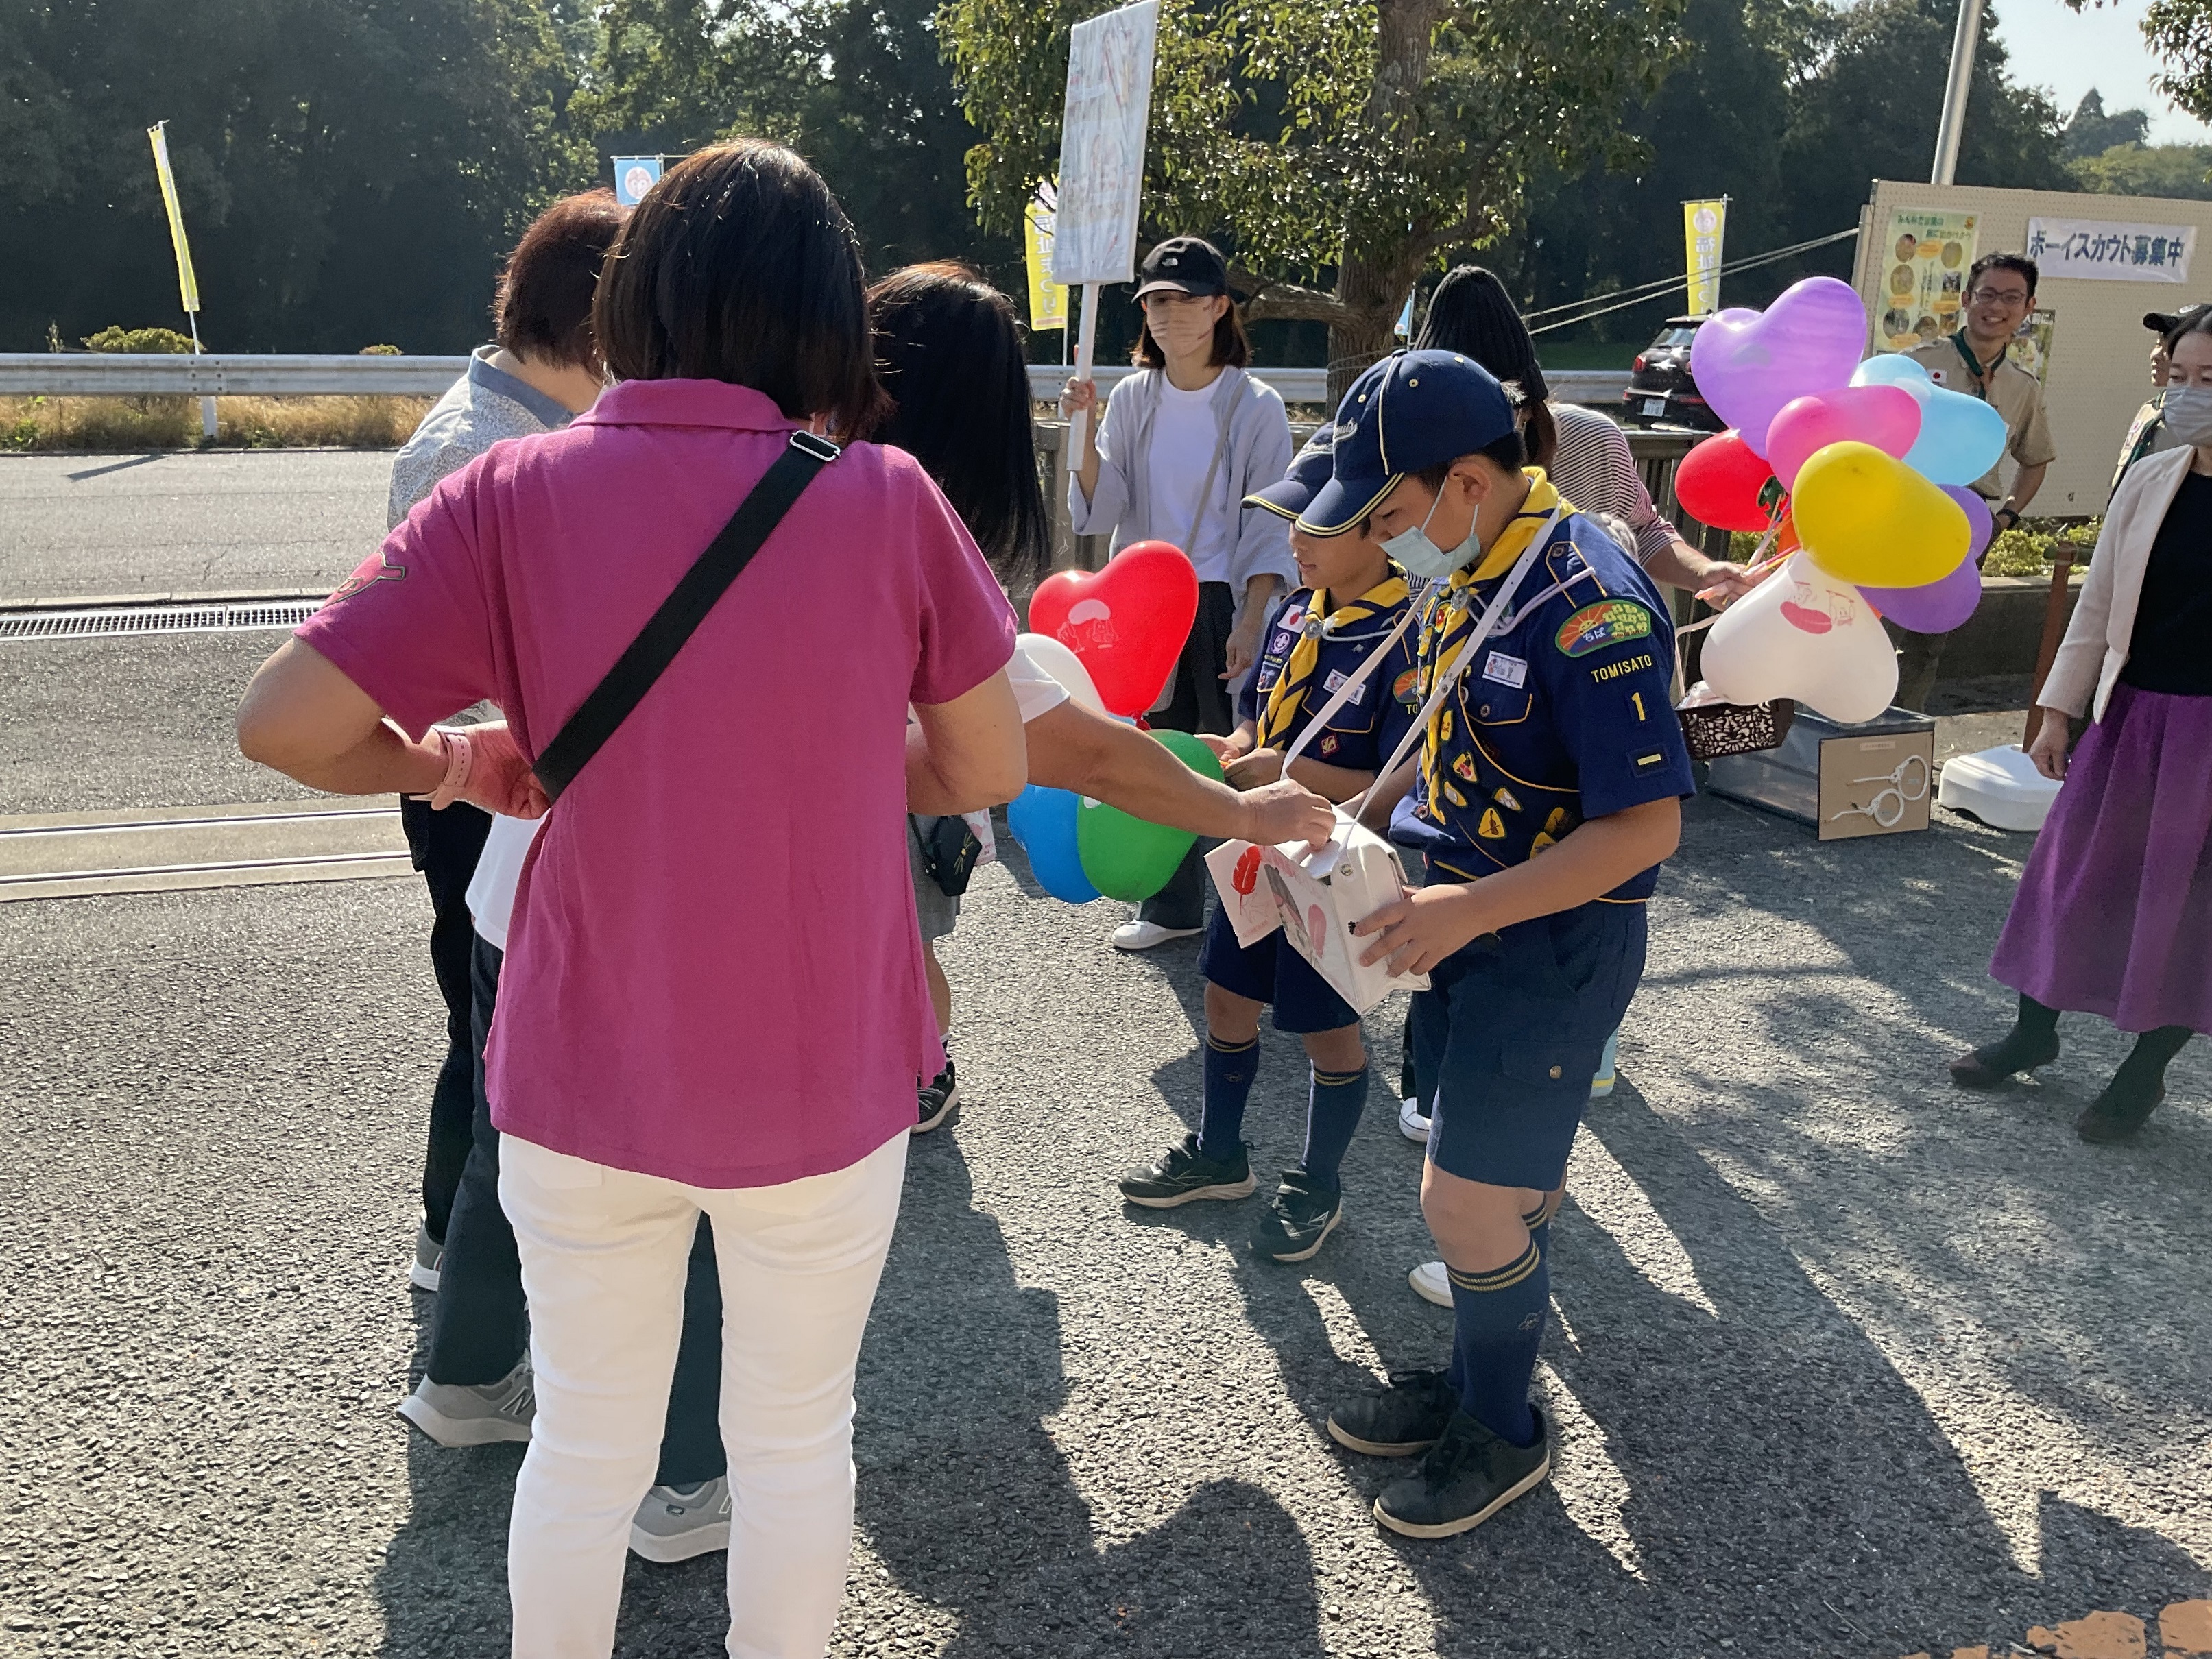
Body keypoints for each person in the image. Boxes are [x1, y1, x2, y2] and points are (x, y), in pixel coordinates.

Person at [235, 140, 1028, 1659]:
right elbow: (976, 761)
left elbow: (284, 723)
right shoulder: (885, 497)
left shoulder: (515, 487)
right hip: (821, 1082)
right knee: (794, 1446)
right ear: (820, 317)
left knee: (584, 1444)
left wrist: (461, 769)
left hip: (580, 1078)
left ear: (634, 302)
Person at [621, 261, 1337, 1564]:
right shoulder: (911, 518)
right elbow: (1064, 752)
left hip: (662, 898)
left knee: (688, 1203)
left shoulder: (687, 476)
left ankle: (680, 1467)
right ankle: (730, 1475)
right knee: (784, 1235)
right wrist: (1231, 807)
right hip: (826, 896)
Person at [1303, 350, 1692, 1539]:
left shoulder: (1588, 595)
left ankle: (1507, 1430)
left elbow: (1648, 825)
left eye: (1388, 512)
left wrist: (1463, 913)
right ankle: (1479, 1382)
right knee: (1498, 1190)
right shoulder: (1478, 557)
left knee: (1460, 1201)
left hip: (1552, 942)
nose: (1379, 537)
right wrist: (1352, 819)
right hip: (1465, 919)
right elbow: (1441, 724)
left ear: (1467, 480)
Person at [1401, 265, 1748, 1161]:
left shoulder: (1582, 495)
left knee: (1502, 1150)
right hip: (1481, 822)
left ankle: (1550, 1093)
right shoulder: (1452, 554)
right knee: (1491, 1133)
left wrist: (1702, 574)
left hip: (1580, 762)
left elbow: (1649, 530)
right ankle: (1478, 1126)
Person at [385, 188, 626, 1295]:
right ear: (598, 321)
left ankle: (481, 1254)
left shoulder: (534, 424)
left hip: (511, 775)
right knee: (489, 1026)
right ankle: (459, 1252)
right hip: (479, 779)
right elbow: (467, 665)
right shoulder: (475, 450)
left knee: (506, 1022)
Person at [1116, 411, 1420, 1261]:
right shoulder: (1292, 613)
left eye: (1316, 524)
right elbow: (1257, 721)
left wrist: (1277, 773)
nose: (1294, 540)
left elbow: (1397, 779)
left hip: (1332, 865)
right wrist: (1232, 750)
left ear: (1381, 524)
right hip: (1255, 851)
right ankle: (1220, 1152)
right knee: (1224, 996)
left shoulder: (1411, 633)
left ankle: (1316, 1184)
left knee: (1326, 1030)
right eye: (1289, 522)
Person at [1949, 307, 2212, 1145]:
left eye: (2209, 380)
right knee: (2070, 880)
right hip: (2130, 714)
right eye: (2177, 376)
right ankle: (2032, 1033)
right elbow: (2097, 607)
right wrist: (2057, 711)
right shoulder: (2151, 476)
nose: (2188, 395)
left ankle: (2144, 1073)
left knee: (2187, 906)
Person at [1062, 235, 1298, 950]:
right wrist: (1084, 430)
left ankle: (1251, 907)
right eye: (1154, 301)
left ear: (1220, 306)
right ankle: (1171, 906)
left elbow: (1266, 519)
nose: (1166, 314)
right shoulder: (1133, 396)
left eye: (1183, 299)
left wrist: (1255, 613)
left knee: (1231, 748)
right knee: (1155, 747)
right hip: (1146, 600)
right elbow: (1101, 508)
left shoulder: (1255, 404)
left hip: (1223, 594)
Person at [1413, 266, 1754, 602]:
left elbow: (1644, 530)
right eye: (1444, 415)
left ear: (1530, 401)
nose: (1469, 436)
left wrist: (1701, 573)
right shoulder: (1399, 463)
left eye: (1494, 408)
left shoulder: (1592, 443)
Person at [1899, 252, 2058, 712]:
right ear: (1966, 299)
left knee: (1929, 640)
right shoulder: (1919, 363)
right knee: (1868, 622)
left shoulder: (2022, 386)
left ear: (2029, 308)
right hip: (1904, 508)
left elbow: (2036, 459)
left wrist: (2006, 516)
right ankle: (1836, 738)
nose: (1997, 307)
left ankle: (1900, 734)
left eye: (2012, 298)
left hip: (1967, 521)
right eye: (1987, 294)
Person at [2110, 302, 2208, 491]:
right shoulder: (2150, 410)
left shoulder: (2201, 423)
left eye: (2170, 347)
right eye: (2157, 344)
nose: (2156, 355)